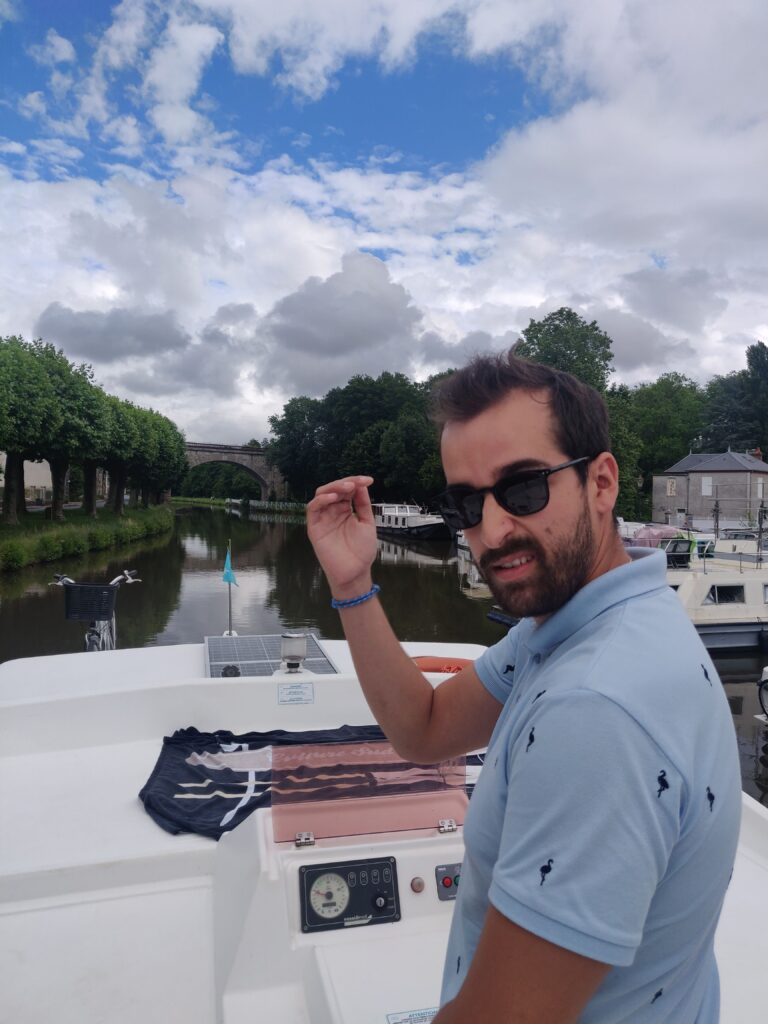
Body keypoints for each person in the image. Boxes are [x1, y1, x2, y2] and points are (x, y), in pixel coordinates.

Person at [306, 352, 741, 1023]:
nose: (492, 529)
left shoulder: (594, 711)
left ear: (601, 483)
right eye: (466, 502)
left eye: (524, 488)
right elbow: (426, 727)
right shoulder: (581, 622)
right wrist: (352, 583)